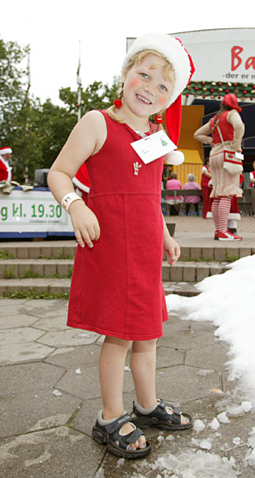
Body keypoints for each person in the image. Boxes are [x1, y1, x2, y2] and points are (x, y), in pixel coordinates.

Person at [47, 33, 193, 459]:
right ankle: (109, 417)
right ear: (126, 74)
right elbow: (59, 173)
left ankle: (146, 406)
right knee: (119, 335)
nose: (149, 88)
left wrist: (164, 232)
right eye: (143, 75)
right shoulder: (98, 122)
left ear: (170, 98)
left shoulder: (157, 136)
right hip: (110, 243)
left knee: (147, 332)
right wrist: (75, 206)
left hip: (145, 246)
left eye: (162, 85)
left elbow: (151, 194)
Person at [193, 93, 245, 241]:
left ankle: (218, 230)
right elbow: (240, 126)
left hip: (214, 155)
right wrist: (235, 144)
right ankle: (223, 231)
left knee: (217, 194)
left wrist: (211, 141)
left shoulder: (215, 118)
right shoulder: (232, 114)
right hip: (227, 155)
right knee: (227, 193)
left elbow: (197, 134)